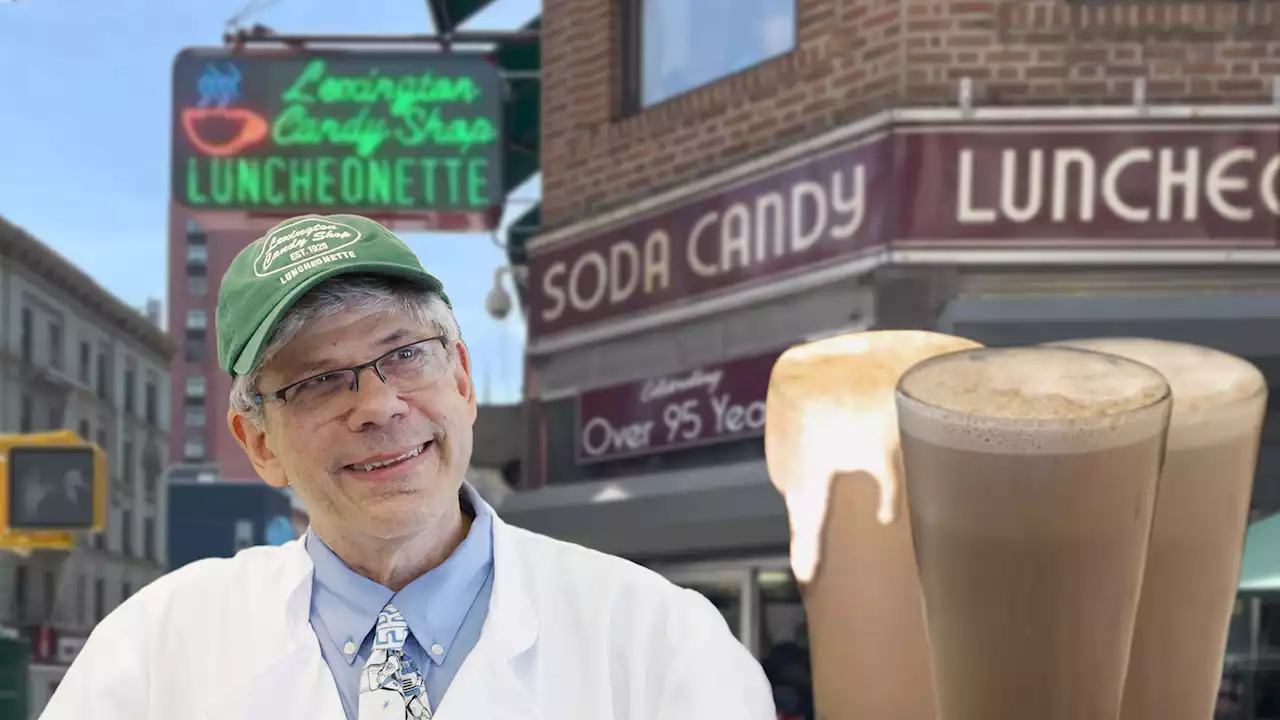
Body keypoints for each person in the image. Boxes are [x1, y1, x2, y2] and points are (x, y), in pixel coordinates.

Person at [40, 214, 776, 720]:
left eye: (403, 354)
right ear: (258, 442)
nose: (378, 404)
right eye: (317, 380)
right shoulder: (155, 649)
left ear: (461, 379)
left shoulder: (655, 638)